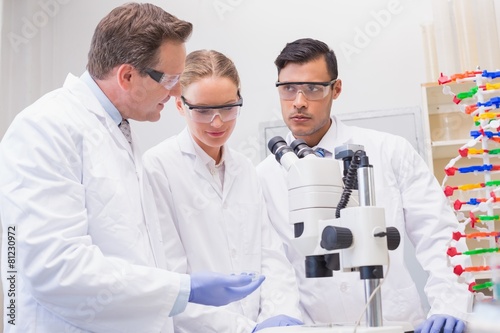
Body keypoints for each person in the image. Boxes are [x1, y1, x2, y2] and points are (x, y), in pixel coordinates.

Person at [0, 4, 264, 333]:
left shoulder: (121, 134)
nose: (174, 92)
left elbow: (134, 255)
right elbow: (55, 269)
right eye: (169, 79)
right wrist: (183, 289)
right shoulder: (46, 127)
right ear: (126, 76)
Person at [256, 38, 472, 333]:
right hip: (313, 327)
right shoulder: (264, 177)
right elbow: (272, 262)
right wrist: (278, 310)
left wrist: (450, 303)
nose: (299, 101)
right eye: (288, 89)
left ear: (337, 89)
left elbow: (438, 234)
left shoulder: (390, 150)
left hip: (396, 323)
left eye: (313, 88)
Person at [142, 49, 303, 332]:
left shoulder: (245, 170)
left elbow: (271, 257)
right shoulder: (158, 167)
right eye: (202, 110)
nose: (217, 122)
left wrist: (278, 318)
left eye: (228, 107)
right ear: (180, 105)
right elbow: (172, 281)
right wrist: (242, 329)